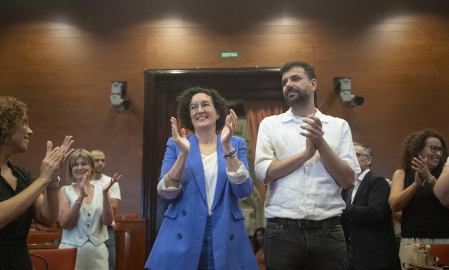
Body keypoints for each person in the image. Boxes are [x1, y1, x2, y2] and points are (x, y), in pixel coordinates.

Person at [254, 61, 360, 269]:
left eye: (295, 78)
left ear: (313, 84)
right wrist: (306, 154)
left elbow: (348, 180)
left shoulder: (338, 126)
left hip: (328, 231)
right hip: (282, 232)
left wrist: (320, 143)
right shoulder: (270, 124)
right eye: (284, 82)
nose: (288, 85)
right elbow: (263, 173)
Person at [145, 87, 258, 270]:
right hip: (184, 232)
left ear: (217, 112)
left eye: (205, 105)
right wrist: (183, 154)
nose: (199, 110)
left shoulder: (235, 143)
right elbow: (166, 195)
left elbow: (243, 190)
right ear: (188, 115)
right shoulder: (176, 145)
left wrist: (227, 146)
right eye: (193, 107)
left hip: (224, 233)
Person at [0, 96, 74, 270]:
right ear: (2, 128)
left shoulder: (21, 175)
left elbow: (48, 218)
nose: (30, 131)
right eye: (24, 124)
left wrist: (51, 181)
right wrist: (43, 179)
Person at [388, 129, 449, 266]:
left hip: (443, 238)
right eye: (434, 149)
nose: (438, 154)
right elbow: (394, 205)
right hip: (414, 239)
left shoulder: (446, 172)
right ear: (417, 150)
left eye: (441, 150)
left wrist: (429, 178)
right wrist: (415, 184)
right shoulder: (402, 173)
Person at [58, 149, 121, 270]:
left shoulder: (102, 190)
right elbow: (64, 224)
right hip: (71, 251)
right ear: (71, 169)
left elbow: (107, 222)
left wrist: (105, 195)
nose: (80, 167)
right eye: (75, 164)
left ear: (91, 167)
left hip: (98, 254)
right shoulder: (65, 190)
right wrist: (80, 197)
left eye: (84, 163)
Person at [341, 142, 398, 270]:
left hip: (373, 254)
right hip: (352, 252)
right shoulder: (350, 186)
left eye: (356, 155)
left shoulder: (378, 182)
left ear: (368, 160)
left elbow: (375, 213)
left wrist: (342, 207)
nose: (351, 159)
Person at [91, 149, 121, 270]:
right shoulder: (83, 182)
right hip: (87, 228)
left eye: (103, 160)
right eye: (96, 160)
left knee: (109, 266)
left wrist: (90, 203)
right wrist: (103, 199)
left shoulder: (111, 181)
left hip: (107, 229)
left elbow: (113, 206)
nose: (100, 163)